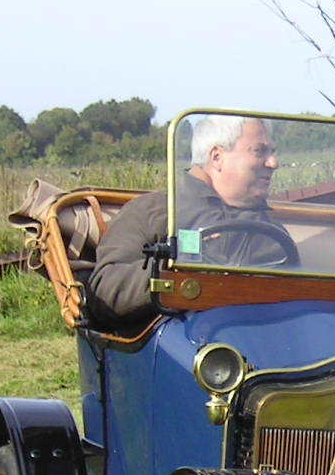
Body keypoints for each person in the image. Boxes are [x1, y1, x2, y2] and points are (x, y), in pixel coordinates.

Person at [86, 114, 294, 327]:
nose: (273, 163)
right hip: (184, 349)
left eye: (272, 152)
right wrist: (176, 264)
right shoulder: (154, 210)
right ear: (216, 157)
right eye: (260, 151)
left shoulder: (268, 226)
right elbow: (105, 292)